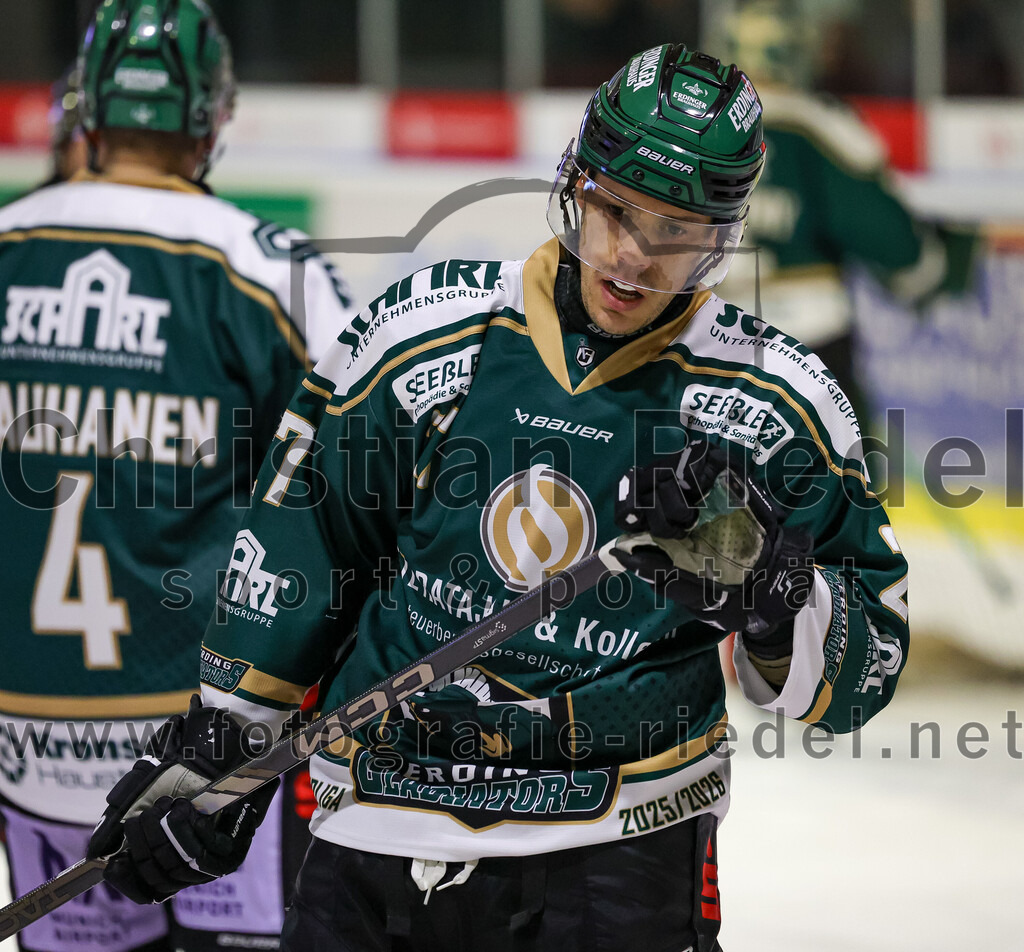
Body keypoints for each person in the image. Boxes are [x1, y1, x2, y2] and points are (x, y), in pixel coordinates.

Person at [84, 43, 910, 952]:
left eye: (677, 233)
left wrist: (764, 586)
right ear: (575, 184)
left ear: (725, 235)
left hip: (621, 847)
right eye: (616, 214)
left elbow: (862, 671)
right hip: (379, 819)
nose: (634, 259)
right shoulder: (422, 338)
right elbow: (307, 545)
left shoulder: (773, 402)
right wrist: (224, 747)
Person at [0, 1, 355, 950]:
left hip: (24, 745)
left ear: (84, 109)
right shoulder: (267, 268)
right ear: (213, 117)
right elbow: (365, 480)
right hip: (206, 765)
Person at [716, 0, 977, 428]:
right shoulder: (821, 125)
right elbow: (891, 240)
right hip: (809, 340)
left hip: (710, 340)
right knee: (841, 485)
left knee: (700, 485)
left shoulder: (695, 127)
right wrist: (931, 269)